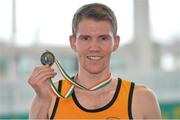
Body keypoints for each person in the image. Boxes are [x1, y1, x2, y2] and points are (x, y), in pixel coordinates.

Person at [28, 3, 161, 119]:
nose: (94, 48)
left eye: (103, 38)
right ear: (73, 42)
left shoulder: (142, 99)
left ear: (116, 43)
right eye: (86, 38)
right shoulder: (49, 97)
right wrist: (42, 99)